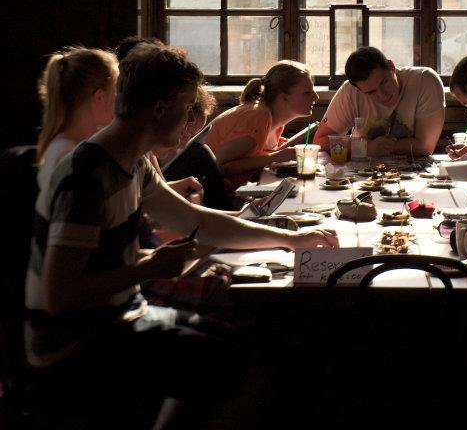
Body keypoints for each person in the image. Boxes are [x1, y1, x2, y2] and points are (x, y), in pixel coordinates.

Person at [25, 43, 337, 429]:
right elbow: (59, 296)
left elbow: (197, 220)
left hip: (122, 313)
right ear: (160, 108)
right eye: (187, 106)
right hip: (75, 341)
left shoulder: (132, 162)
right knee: (260, 366)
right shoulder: (88, 175)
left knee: (254, 338)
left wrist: (290, 239)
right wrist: (149, 268)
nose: (192, 117)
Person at [315, 46, 445, 157]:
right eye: (371, 92)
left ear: (391, 67)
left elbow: (425, 147)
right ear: (358, 90)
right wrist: (367, 148)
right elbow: (320, 142)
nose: (382, 95)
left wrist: (383, 147)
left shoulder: (424, 81)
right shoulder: (350, 91)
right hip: (363, 172)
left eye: (384, 82)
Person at [205, 61, 316, 184]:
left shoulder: (276, 122)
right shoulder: (258, 117)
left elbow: (250, 158)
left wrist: (276, 152)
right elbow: (218, 168)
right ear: (283, 97)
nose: (316, 97)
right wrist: (276, 156)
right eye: (307, 92)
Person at [35, 46, 119, 209]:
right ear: (100, 97)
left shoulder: (72, 147)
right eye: (116, 93)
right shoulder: (70, 156)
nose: (119, 102)